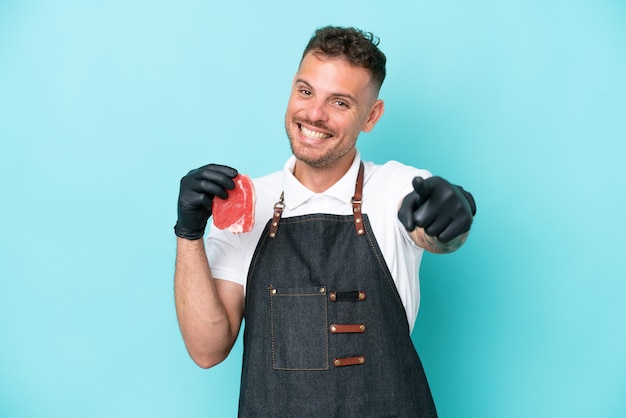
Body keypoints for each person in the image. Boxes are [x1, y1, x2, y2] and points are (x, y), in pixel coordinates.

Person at [174, 26, 476, 417]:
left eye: (339, 103)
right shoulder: (249, 204)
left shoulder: (393, 188)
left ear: (371, 116)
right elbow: (206, 350)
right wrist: (188, 234)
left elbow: (433, 230)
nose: (314, 114)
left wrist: (454, 215)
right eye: (305, 91)